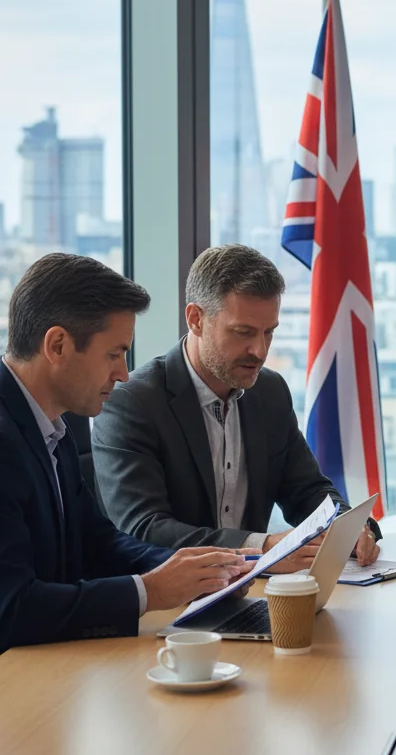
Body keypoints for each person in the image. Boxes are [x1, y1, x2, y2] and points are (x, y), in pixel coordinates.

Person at [0, 254, 250, 653]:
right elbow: (11, 608)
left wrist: (189, 571)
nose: (123, 373)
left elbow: (96, 542)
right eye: (114, 353)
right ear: (58, 345)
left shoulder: (55, 424)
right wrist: (149, 592)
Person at [92, 244, 379, 572]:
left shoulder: (269, 392)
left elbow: (307, 490)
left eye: (268, 333)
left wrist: (346, 526)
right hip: (165, 604)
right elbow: (145, 528)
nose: (259, 350)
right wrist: (262, 548)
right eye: (243, 333)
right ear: (196, 319)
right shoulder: (133, 403)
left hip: (249, 594)